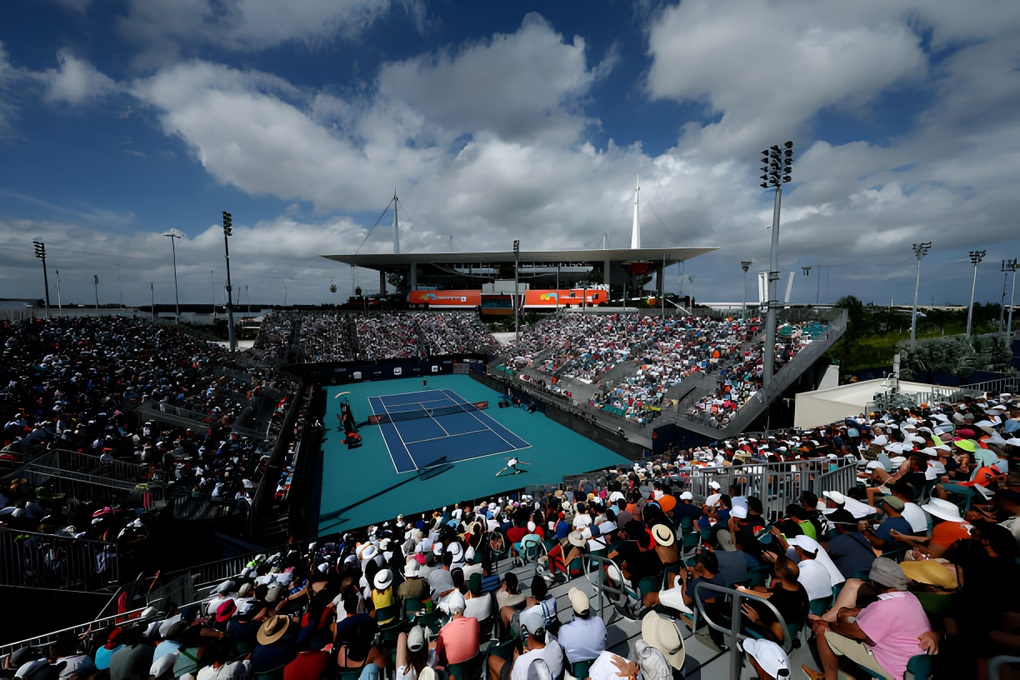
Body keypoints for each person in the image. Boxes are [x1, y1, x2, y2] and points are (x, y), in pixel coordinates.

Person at [803, 558, 931, 680]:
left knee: (821, 630)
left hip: (894, 666)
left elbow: (855, 632)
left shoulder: (883, 607)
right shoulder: (910, 597)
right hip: (915, 662)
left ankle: (830, 677)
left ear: (877, 582)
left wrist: (829, 625)